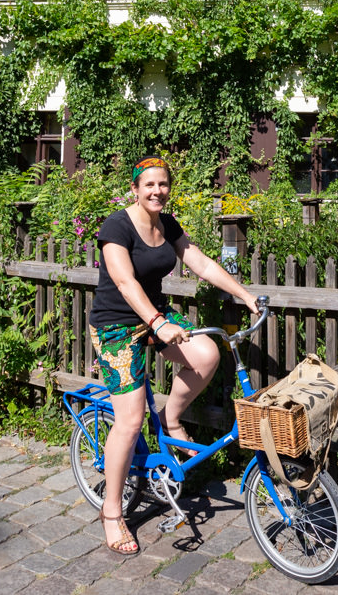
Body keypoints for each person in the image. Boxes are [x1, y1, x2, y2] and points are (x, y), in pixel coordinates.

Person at [88, 155, 260, 557]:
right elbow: (123, 279)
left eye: (163, 184)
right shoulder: (116, 226)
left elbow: (198, 261)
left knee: (206, 356)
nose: (156, 191)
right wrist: (155, 321)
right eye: (148, 185)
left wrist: (246, 295)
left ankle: (170, 417)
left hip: (155, 317)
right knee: (129, 423)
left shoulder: (167, 224)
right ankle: (112, 511)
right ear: (135, 188)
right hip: (117, 325)